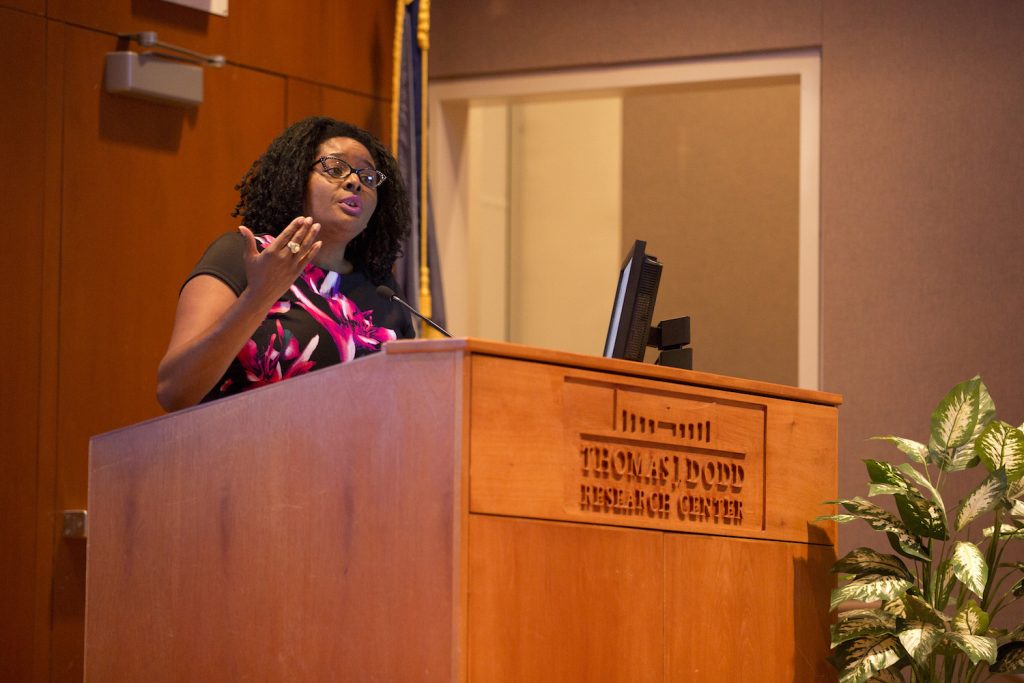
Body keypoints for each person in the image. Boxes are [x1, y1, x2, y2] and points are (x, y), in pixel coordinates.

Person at [157, 117, 416, 411]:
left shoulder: (382, 290)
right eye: (335, 168)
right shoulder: (244, 256)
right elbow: (174, 391)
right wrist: (259, 296)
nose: (354, 181)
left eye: (368, 178)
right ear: (295, 180)